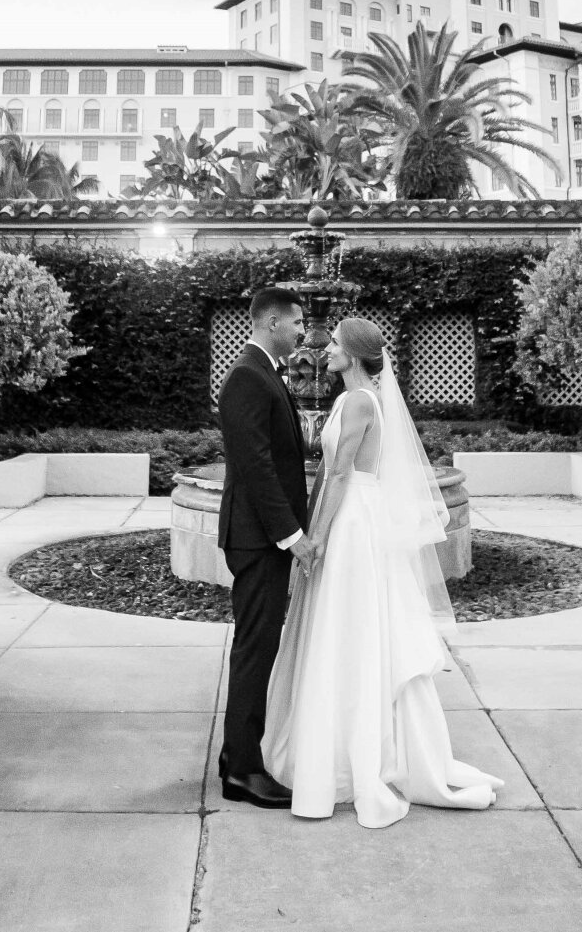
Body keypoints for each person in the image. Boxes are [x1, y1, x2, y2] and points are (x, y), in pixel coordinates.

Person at [261, 315, 502, 826]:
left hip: (351, 523)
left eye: (333, 347)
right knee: (357, 627)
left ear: (352, 353)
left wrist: (317, 537)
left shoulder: (357, 401)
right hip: (357, 516)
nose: (323, 351)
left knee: (346, 629)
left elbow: (343, 472)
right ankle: (358, 743)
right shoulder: (362, 400)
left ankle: (353, 756)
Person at [214, 284, 319, 808]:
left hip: (260, 538)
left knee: (258, 647)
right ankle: (245, 773)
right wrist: (292, 536)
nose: (303, 331)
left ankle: (236, 756)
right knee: (257, 650)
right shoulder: (246, 378)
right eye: (297, 322)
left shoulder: (262, 374)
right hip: (258, 540)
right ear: (272, 322)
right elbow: (254, 466)